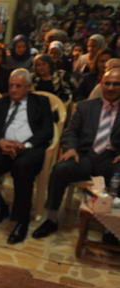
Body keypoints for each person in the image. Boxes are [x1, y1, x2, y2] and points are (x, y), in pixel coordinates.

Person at [33, 68, 120, 241]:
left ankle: (111, 228)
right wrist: (71, 148)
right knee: (60, 169)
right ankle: (51, 219)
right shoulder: (85, 107)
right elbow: (71, 132)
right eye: (107, 83)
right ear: (101, 84)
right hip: (84, 156)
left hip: (111, 159)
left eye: (116, 84)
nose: (111, 88)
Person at [0, 68, 54, 244]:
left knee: (22, 167)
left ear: (28, 87)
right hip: (4, 148)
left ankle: (22, 220)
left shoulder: (41, 102)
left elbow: (47, 131)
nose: (13, 90)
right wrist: (0, 141)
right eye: (11, 85)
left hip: (30, 149)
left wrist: (25, 145)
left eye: (18, 86)